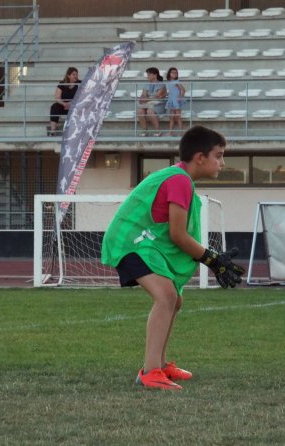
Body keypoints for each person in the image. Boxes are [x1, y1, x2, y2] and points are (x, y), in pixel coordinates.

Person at [101, 125, 245, 390]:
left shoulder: (181, 180)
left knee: (175, 300)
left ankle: (159, 364)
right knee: (166, 296)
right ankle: (150, 371)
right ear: (200, 157)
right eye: (219, 155)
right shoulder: (179, 180)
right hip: (130, 244)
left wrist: (210, 259)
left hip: (142, 243)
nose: (222, 163)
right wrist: (211, 259)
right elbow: (178, 235)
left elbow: (174, 233)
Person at [48, 67, 80, 136]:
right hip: (64, 106)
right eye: (73, 74)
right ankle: (53, 131)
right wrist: (64, 104)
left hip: (74, 106)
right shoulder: (62, 84)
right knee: (54, 107)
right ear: (68, 75)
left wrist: (71, 104)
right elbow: (57, 98)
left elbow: (82, 97)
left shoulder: (79, 83)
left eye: (76, 74)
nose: (76, 76)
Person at [137, 67, 166, 137]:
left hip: (159, 104)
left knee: (150, 111)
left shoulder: (161, 84)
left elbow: (156, 97)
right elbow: (143, 95)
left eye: (149, 74)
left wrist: (145, 99)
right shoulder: (146, 84)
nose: (148, 76)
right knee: (139, 111)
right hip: (148, 103)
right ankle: (145, 130)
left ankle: (157, 130)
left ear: (155, 75)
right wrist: (143, 99)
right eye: (147, 74)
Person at [165, 67, 186, 136]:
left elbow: (183, 89)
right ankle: (170, 132)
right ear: (169, 74)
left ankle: (181, 132)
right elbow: (172, 91)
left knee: (178, 117)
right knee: (171, 117)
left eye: (176, 73)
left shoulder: (177, 82)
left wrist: (180, 97)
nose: (174, 74)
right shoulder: (170, 82)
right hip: (171, 100)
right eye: (173, 72)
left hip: (176, 101)